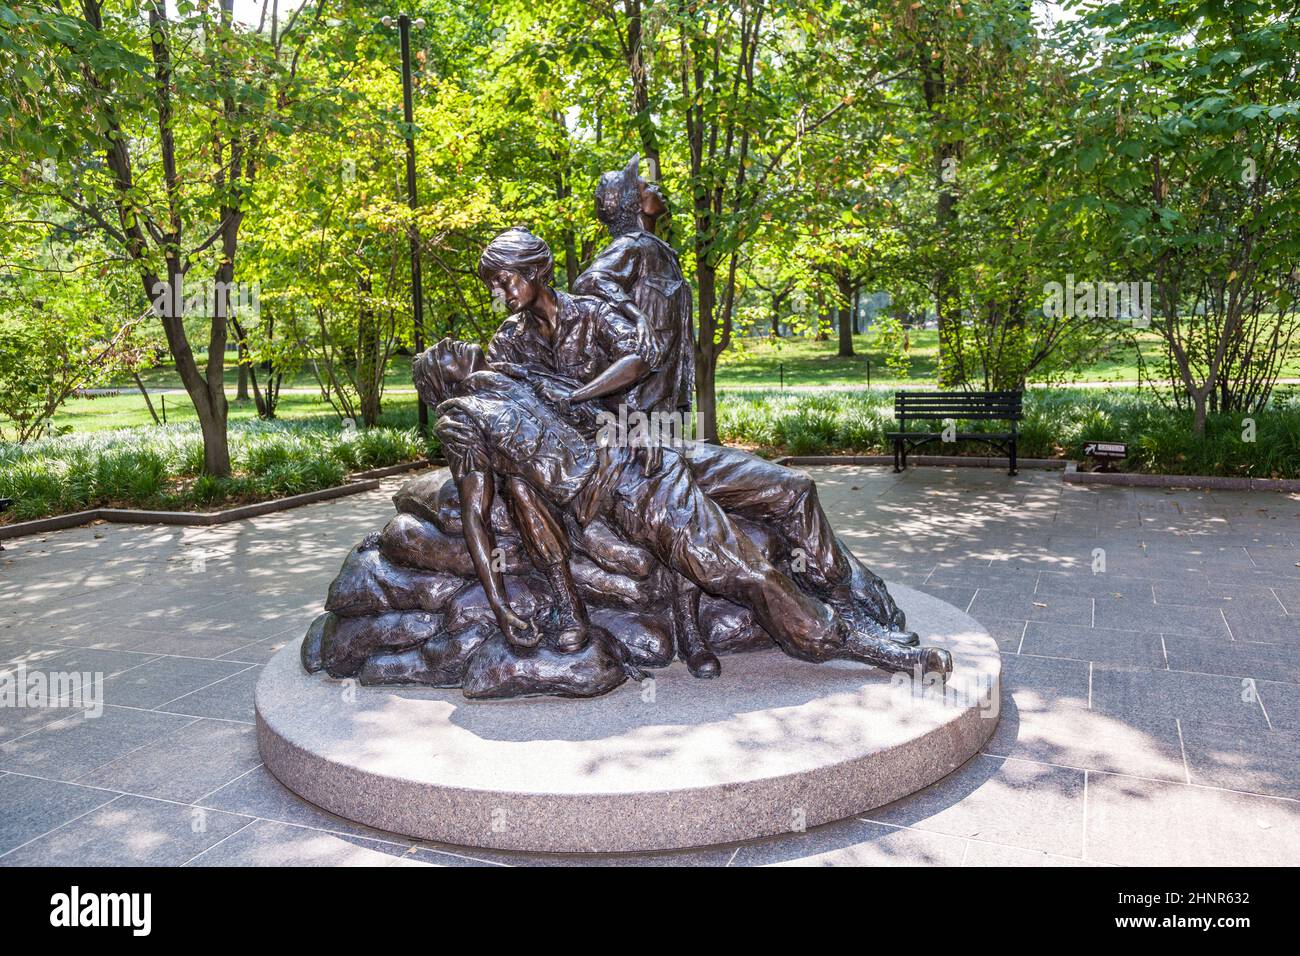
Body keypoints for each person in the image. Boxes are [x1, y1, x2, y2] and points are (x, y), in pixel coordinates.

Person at [413, 338, 952, 681]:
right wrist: (502, 602)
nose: (454, 341)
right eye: (444, 350)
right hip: (627, 488)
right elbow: (479, 517)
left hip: (658, 448)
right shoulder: (461, 419)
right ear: (442, 380)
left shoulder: (515, 375)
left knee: (794, 488)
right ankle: (862, 644)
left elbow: (601, 400)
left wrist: (633, 425)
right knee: (742, 570)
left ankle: (841, 587)